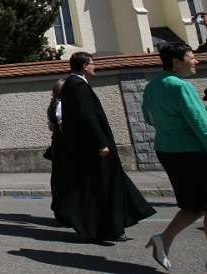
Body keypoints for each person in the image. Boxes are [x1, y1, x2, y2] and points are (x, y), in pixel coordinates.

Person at [142, 43, 207, 274]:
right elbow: (204, 128)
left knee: (193, 206)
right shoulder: (181, 86)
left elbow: (148, 118)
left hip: (166, 150)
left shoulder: (152, 86)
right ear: (176, 62)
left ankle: (163, 240)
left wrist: (169, 127)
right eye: (191, 57)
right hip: (191, 153)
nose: (196, 61)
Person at [56, 52, 154, 242]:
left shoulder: (72, 84)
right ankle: (109, 227)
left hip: (87, 146)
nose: (95, 67)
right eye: (92, 63)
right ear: (84, 66)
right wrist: (101, 142)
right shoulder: (78, 86)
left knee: (100, 186)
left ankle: (109, 226)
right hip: (94, 147)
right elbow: (88, 116)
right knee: (105, 186)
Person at [46, 78, 69, 225]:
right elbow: (62, 127)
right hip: (63, 145)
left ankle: (61, 210)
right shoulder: (61, 105)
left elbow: (51, 126)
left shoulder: (52, 105)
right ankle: (65, 212)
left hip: (57, 144)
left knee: (59, 178)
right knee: (65, 178)